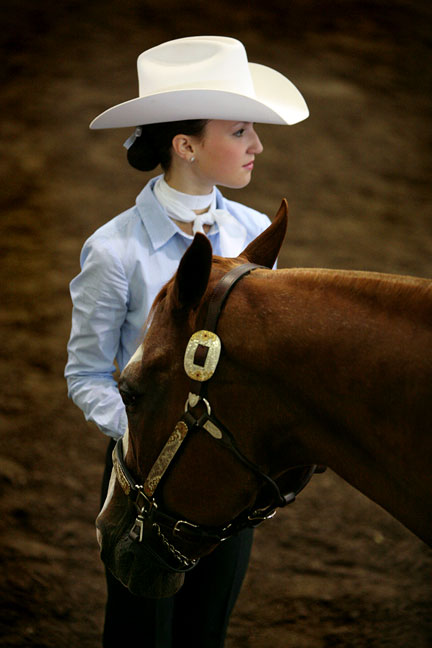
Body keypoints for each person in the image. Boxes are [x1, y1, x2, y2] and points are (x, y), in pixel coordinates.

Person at [65, 35, 308, 647]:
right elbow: (88, 373)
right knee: (139, 634)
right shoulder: (114, 249)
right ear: (186, 145)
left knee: (208, 630)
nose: (257, 145)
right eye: (240, 130)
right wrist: (145, 434)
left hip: (228, 478)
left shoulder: (256, 235)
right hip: (144, 477)